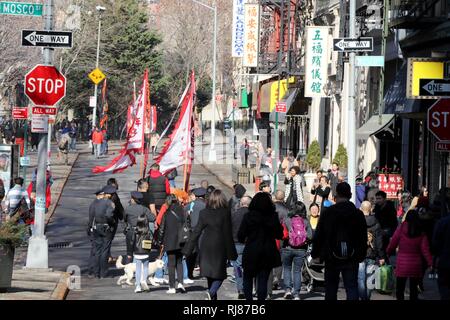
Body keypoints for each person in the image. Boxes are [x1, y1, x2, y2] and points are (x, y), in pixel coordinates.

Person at [311, 182, 367, 300]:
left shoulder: (328, 212)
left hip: (331, 255)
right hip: (352, 256)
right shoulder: (357, 214)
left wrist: (315, 253)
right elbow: (363, 236)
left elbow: (319, 234)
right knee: (351, 287)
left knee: (331, 288)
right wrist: (361, 254)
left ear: (336, 195)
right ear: (350, 195)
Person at [183, 190, 237, 300]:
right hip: (219, 246)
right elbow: (227, 234)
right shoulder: (225, 213)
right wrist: (232, 253)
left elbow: (196, 232)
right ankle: (211, 292)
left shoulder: (204, 212)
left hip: (206, 245)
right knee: (220, 275)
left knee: (210, 276)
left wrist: (187, 250)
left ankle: (211, 296)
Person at [237, 192, 283, 301]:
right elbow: (279, 234)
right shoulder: (273, 217)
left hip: (252, 250)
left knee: (248, 278)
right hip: (267, 251)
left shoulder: (248, 216)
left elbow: (240, 235)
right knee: (263, 279)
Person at [386, 210, 433, 300]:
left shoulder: (401, 228)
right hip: (416, 264)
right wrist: (430, 263)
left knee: (400, 289)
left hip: (402, 263)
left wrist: (388, 252)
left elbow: (393, 242)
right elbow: (425, 250)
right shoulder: (421, 231)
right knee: (413, 289)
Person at [157, 194, 188, 294]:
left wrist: (160, 241)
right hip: (181, 241)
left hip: (170, 241)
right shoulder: (183, 211)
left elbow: (161, 228)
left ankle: (172, 287)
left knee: (171, 264)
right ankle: (180, 283)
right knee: (179, 262)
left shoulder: (167, 213)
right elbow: (188, 224)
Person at [281, 201, 312, 300]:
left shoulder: (287, 220)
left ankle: (287, 291)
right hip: (301, 249)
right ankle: (297, 294)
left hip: (287, 248)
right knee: (297, 271)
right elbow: (310, 236)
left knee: (286, 269)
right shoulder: (306, 221)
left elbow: (282, 235)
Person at [358, 201, 385, 300]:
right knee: (370, 279)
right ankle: (367, 298)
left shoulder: (357, 222)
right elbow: (379, 241)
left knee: (360, 279)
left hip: (359, 255)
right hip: (372, 254)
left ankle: (363, 298)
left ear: (361, 208)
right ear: (371, 209)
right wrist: (381, 256)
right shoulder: (376, 223)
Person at [87, 185, 116, 278]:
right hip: (106, 228)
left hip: (96, 228)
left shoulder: (95, 203)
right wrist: (112, 223)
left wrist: (90, 228)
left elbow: (91, 217)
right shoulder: (109, 203)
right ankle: (103, 272)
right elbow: (109, 215)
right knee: (105, 250)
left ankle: (96, 272)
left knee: (97, 250)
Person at [231, 195, 252, 299]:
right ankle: (248, 288)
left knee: (238, 267)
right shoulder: (253, 215)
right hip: (250, 245)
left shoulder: (234, 214)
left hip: (237, 244)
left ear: (241, 203)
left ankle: (240, 288)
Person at [184, 187, 207, 281]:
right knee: (203, 251)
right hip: (203, 231)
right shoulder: (206, 205)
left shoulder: (189, 205)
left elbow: (184, 215)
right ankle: (203, 272)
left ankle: (189, 273)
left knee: (191, 252)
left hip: (191, 231)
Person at [124, 191, 154, 262]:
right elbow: (153, 218)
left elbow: (124, 218)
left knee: (129, 253)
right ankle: (144, 269)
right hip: (144, 233)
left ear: (133, 199)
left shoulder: (128, 209)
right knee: (145, 252)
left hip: (131, 232)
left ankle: (129, 269)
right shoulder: (144, 209)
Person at [130, 213, 153, 293]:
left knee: (138, 269)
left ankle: (138, 286)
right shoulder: (148, 231)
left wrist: (130, 252)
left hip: (137, 252)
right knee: (146, 267)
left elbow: (132, 242)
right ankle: (144, 280)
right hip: (145, 252)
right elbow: (151, 241)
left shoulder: (135, 231)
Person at [272, 190, 289, 291]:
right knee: (279, 260)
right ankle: (276, 279)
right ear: (283, 198)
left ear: (275, 197)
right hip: (282, 237)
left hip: (271, 236)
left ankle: (270, 278)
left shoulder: (271, 207)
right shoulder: (286, 209)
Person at [432, 212, 450, 300]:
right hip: (444, 258)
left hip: (444, 259)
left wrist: (436, 256)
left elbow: (435, 243)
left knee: (444, 285)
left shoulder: (442, 222)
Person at [106, 178, 124, 263]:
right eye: (116, 183)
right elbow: (118, 208)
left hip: (107, 221)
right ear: (113, 185)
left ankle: (108, 255)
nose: (118, 184)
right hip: (111, 221)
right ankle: (107, 257)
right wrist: (123, 217)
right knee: (108, 239)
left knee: (108, 239)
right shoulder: (114, 196)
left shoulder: (106, 193)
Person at [87, 188, 104, 277]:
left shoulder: (96, 204)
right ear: (98, 195)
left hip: (95, 229)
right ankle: (92, 269)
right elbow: (91, 219)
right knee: (95, 250)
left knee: (95, 250)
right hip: (95, 229)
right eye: (102, 195)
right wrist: (90, 228)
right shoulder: (94, 205)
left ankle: (93, 268)